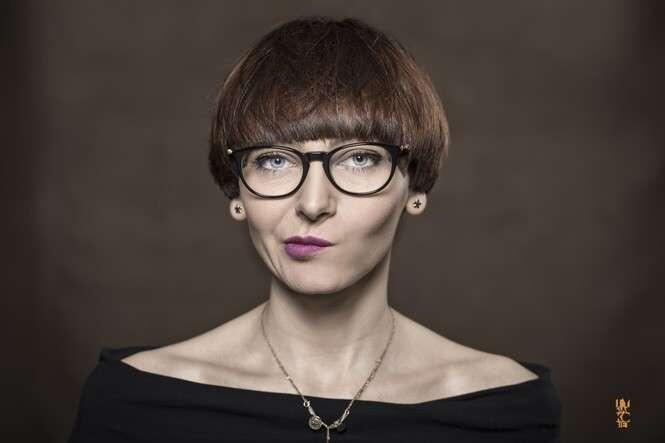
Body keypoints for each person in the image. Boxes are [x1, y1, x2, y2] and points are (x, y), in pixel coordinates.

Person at [68, 15, 562, 443]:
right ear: (237, 193)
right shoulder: (135, 402)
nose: (313, 204)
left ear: (416, 186)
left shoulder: (504, 409)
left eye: (360, 159)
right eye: (274, 161)